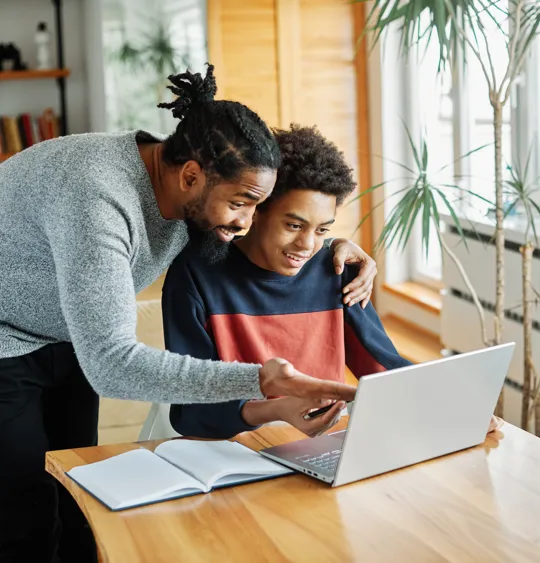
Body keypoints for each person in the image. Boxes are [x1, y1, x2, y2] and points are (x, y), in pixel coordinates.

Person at [0, 67, 376, 563]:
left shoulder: (195, 186)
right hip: (6, 336)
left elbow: (267, 230)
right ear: (191, 175)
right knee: (21, 513)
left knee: (77, 495)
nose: (244, 222)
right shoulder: (97, 197)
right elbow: (112, 364)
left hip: (70, 335)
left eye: (255, 207)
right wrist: (262, 380)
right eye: (241, 205)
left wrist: (333, 246)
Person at [163, 124, 503, 440]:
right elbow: (192, 412)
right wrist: (277, 409)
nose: (308, 245)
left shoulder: (338, 270)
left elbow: (383, 368)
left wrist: (454, 407)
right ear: (257, 208)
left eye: (323, 230)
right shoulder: (196, 276)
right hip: (232, 452)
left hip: (320, 451)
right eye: (294, 226)